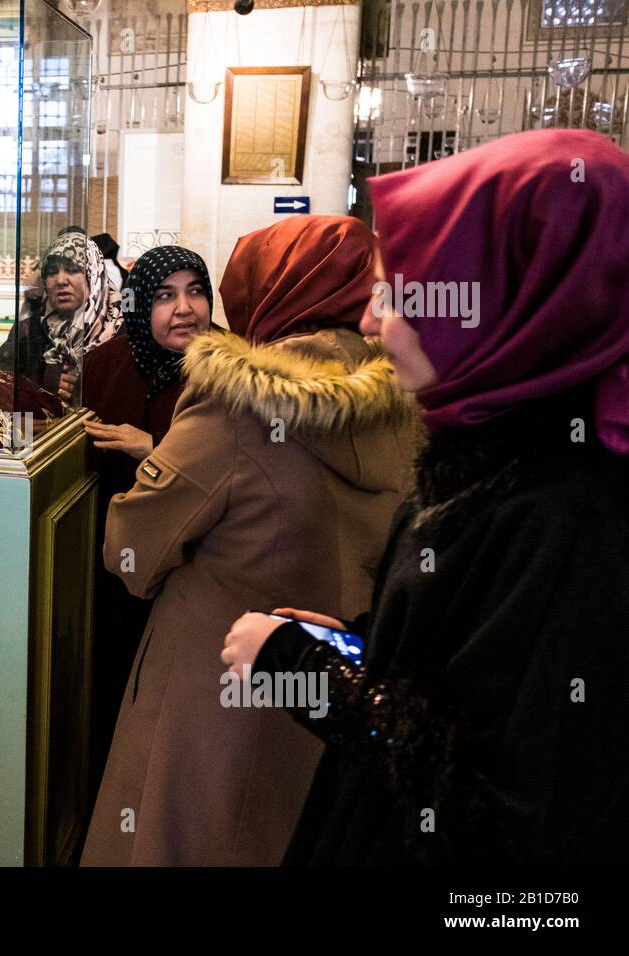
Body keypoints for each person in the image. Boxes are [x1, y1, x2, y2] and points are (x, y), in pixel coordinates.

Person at [222, 129, 629, 866]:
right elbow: (473, 660)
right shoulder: (498, 443)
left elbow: (505, 819)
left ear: (505, 302)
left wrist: (300, 668)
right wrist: (365, 642)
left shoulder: (572, 511)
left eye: (397, 293)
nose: (371, 321)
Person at [82, 215, 421, 866]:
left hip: (214, 689)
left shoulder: (235, 403)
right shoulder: (406, 398)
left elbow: (132, 551)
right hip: (329, 686)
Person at [78, 245, 213, 813]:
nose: (185, 309)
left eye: (196, 291)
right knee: (109, 696)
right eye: (164, 295)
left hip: (191, 573)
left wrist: (150, 449)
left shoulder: (228, 373)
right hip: (110, 566)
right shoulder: (106, 362)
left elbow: (237, 479)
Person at [0, 231, 123, 403]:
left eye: (73, 269)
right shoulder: (30, 329)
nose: (61, 280)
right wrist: (44, 383)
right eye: (52, 272)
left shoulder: (120, 332)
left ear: (93, 273)